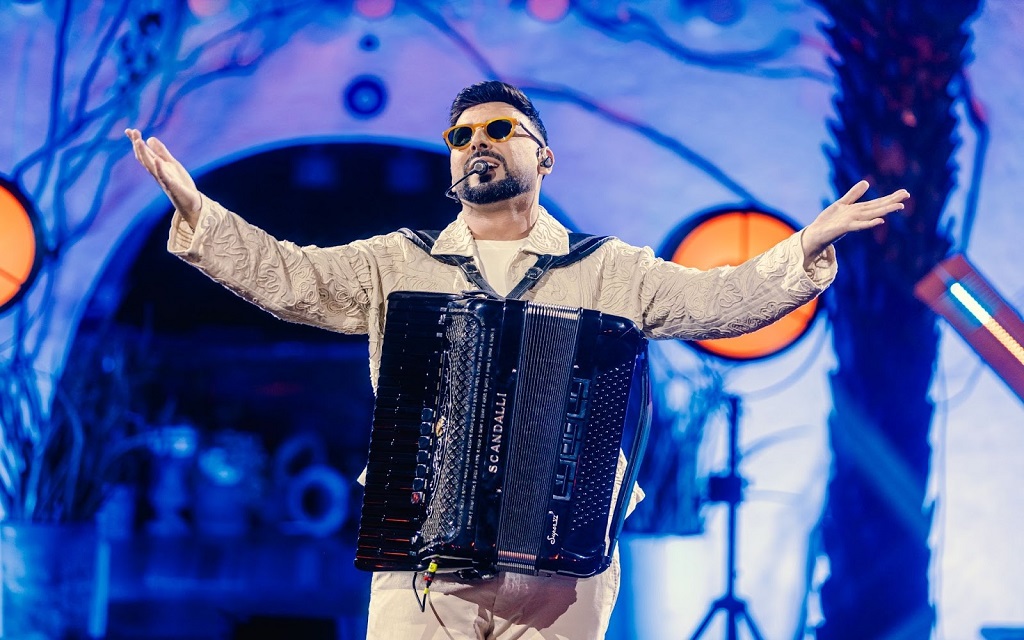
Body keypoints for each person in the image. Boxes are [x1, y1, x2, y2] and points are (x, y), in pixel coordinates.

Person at [126, 80, 909, 640]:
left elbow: (720, 302)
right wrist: (201, 214)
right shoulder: (395, 262)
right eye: (461, 136)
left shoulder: (610, 268)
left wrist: (805, 247)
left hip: (563, 565)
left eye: (499, 130)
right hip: (421, 554)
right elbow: (290, 278)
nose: (477, 144)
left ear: (545, 157)